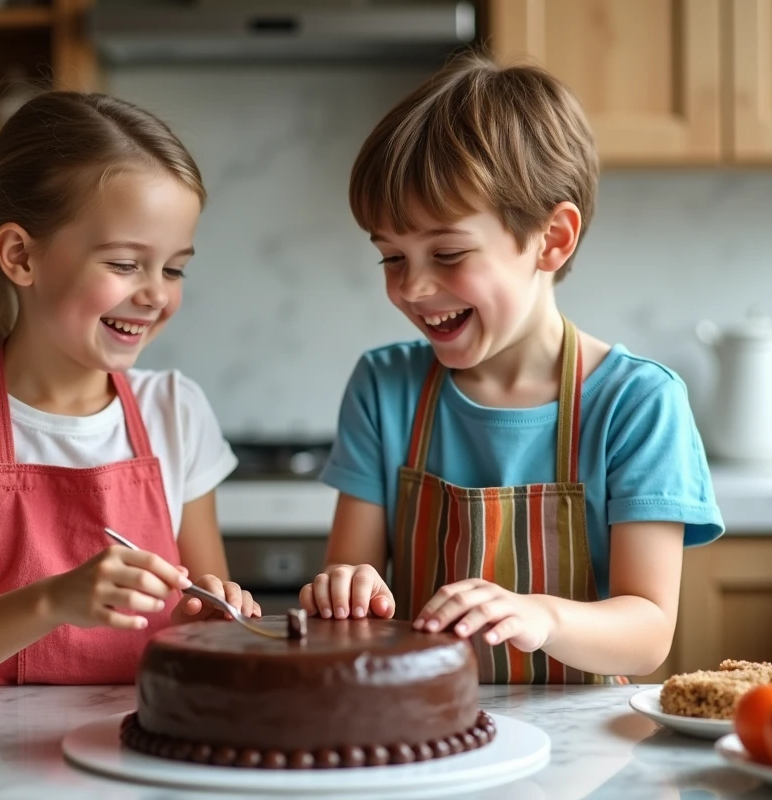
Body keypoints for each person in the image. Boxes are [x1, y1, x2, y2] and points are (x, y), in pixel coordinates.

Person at [300, 53, 724, 683]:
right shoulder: (384, 388)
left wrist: (543, 618)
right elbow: (348, 589)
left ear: (552, 239)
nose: (413, 288)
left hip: (580, 757)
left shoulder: (637, 403)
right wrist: (344, 590)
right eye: (391, 257)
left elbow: (648, 634)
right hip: (420, 734)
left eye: (447, 253)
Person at [0, 91, 256, 696]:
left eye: (173, 268)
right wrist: (53, 600)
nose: (156, 294)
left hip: (142, 754)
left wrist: (209, 618)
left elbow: (211, 620)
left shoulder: (176, 411)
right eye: (126, 264)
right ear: (20, 256)